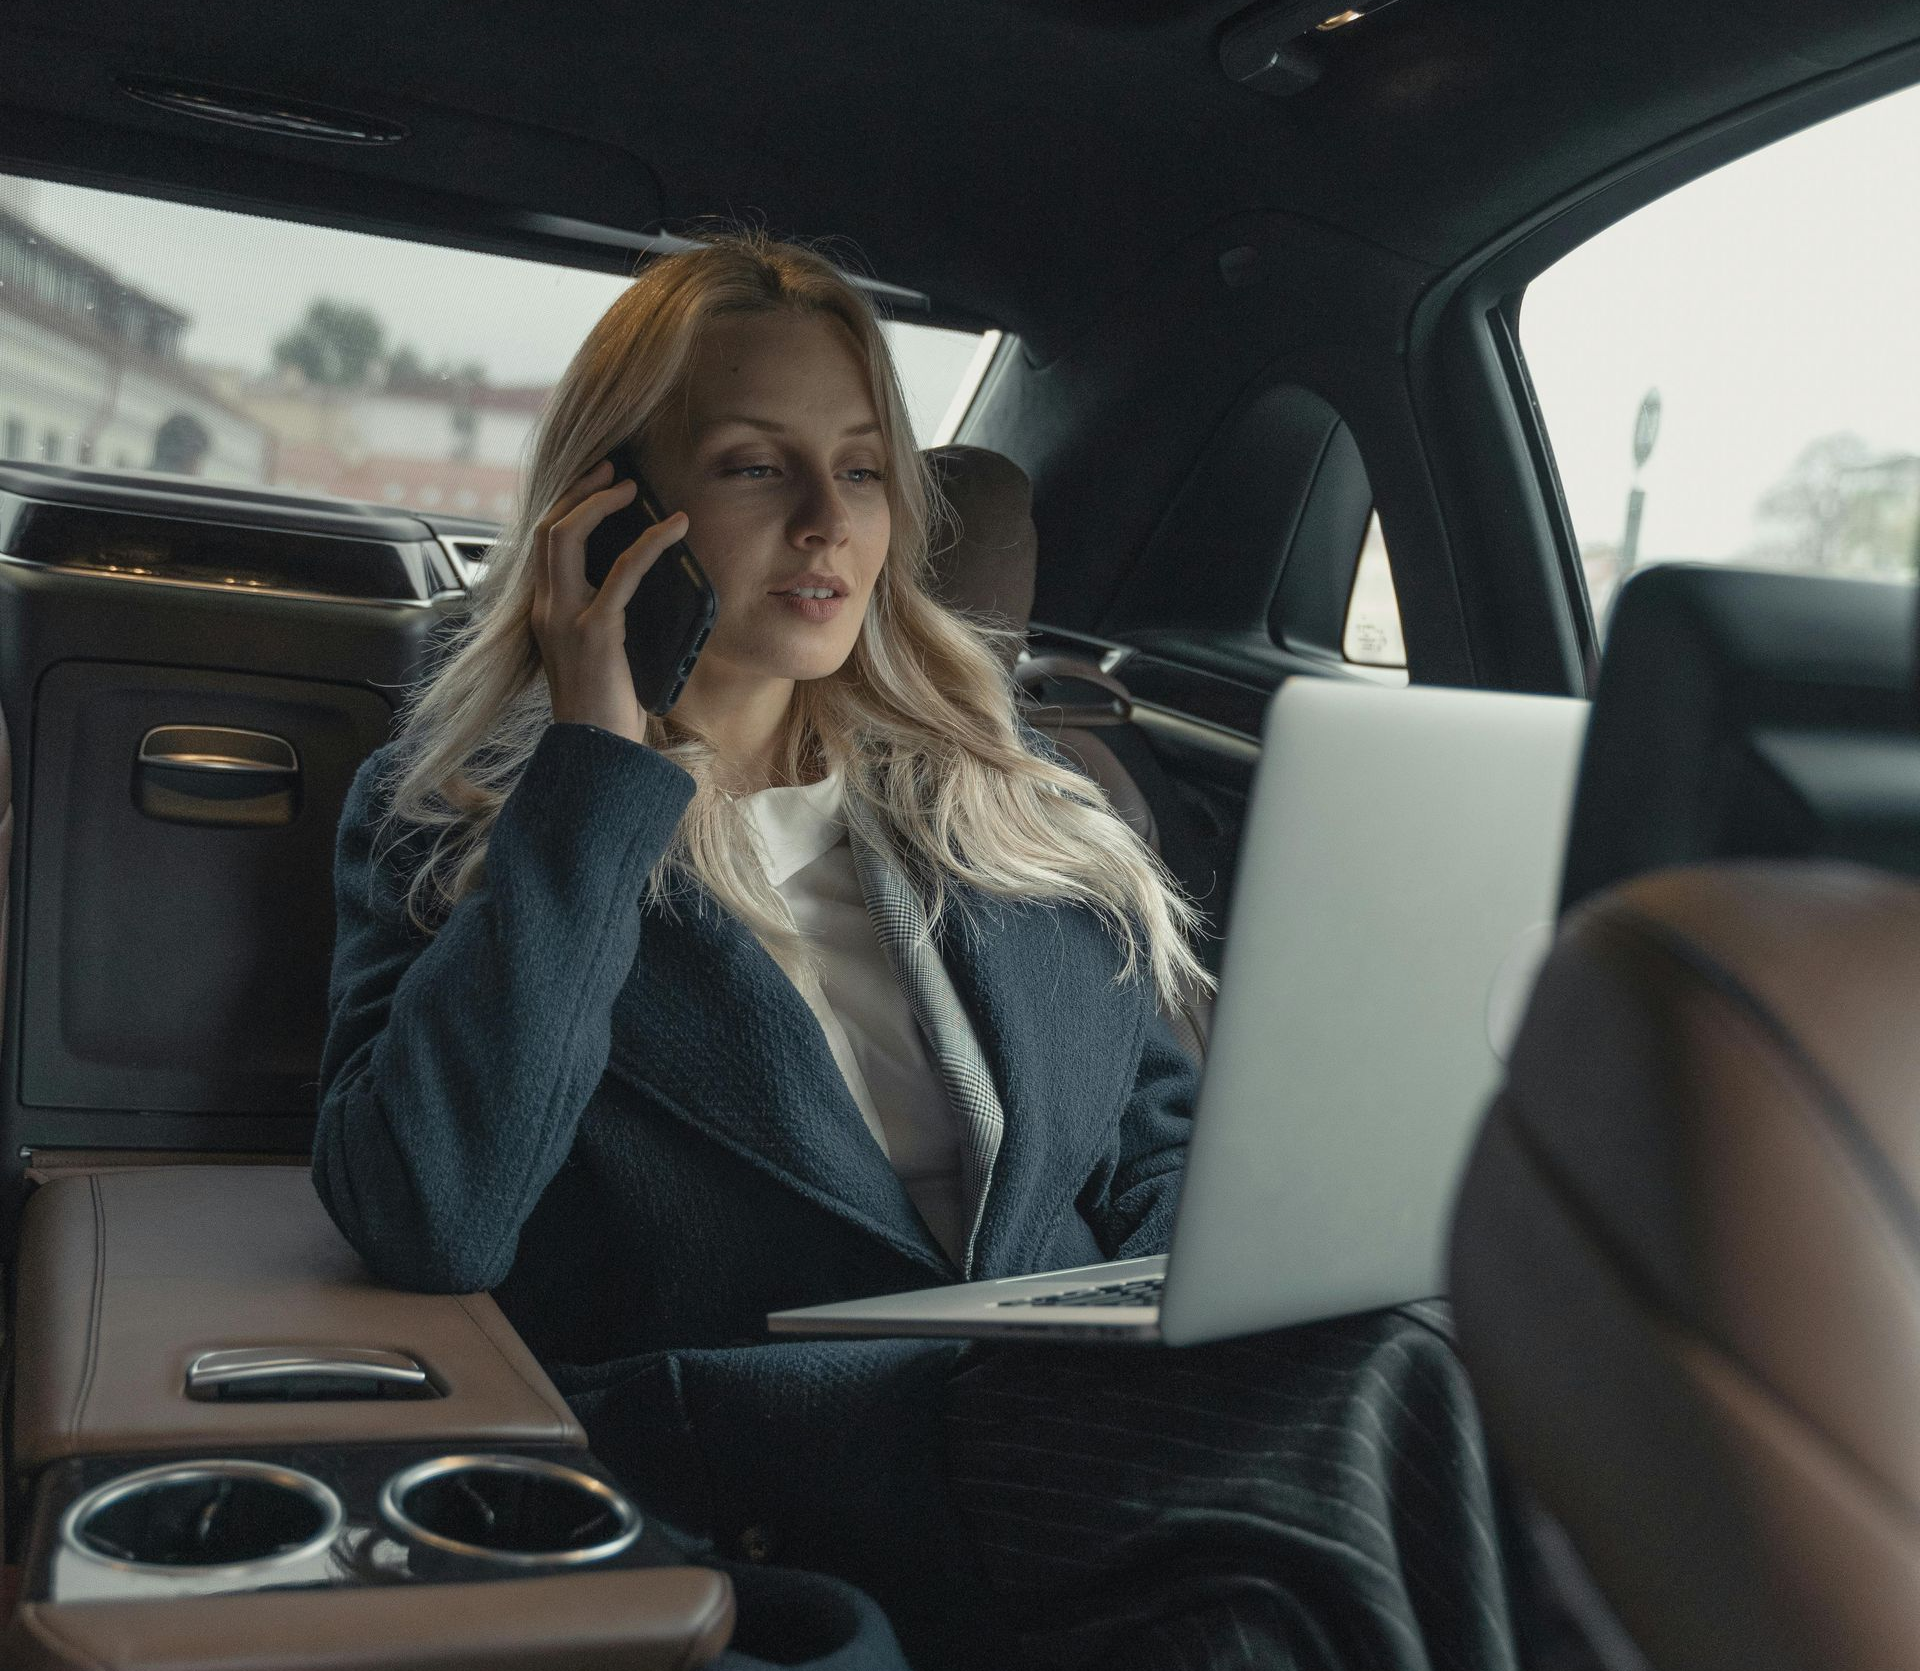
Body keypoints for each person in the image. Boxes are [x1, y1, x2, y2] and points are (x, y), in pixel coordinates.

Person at [313, 230, 1521, 1670]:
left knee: (1415, 1377)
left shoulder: (1017, 802)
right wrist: (597, 756)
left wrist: (1178, 1310)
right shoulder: (468, 817)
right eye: (758, 465)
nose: (830, 520)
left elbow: (1154, 1148)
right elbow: (432, 1213)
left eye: (867, 466)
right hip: (770, 1450)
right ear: (614, 504)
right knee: (1373, 1405)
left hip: (1082, 1427)